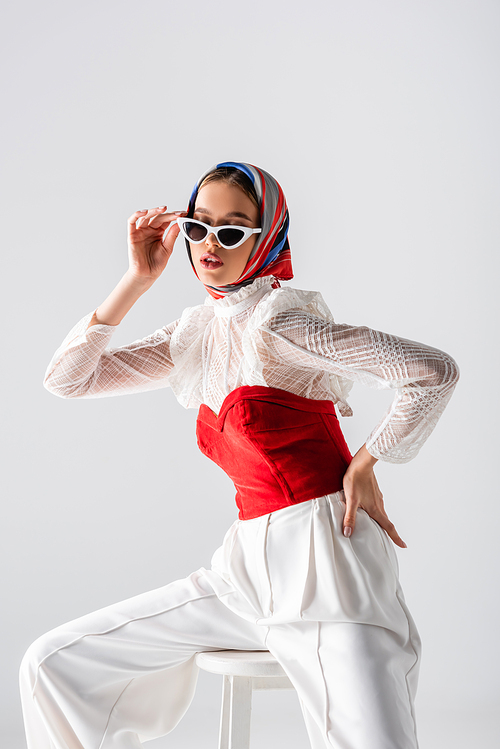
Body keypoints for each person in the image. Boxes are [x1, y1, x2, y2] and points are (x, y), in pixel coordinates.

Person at [19, 161, 459, 749]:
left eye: (232, 231)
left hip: (326, 567)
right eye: (197, 227)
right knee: (53, 663)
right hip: (245, 575)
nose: (208, 245)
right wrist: (136, 280)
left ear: (268, 236)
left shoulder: (285, 326)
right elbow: (67, 380)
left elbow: (432, 371)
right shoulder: (195, 334)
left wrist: (368, 461)